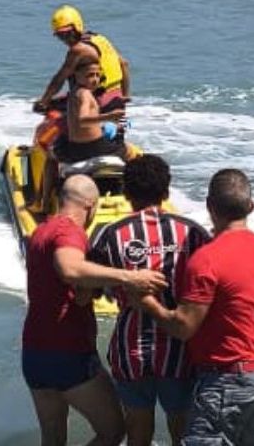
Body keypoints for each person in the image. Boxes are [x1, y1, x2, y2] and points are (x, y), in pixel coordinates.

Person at [130, 168, 254, 446]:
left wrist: (147, 302)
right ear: (251, 205)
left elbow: (183, 327)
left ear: (210, 207)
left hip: (227, 378)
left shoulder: (207, 259)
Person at [22, 174, 168, 446]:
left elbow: (67, 286)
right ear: (90, 205)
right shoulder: (70, 232)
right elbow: (70, 268)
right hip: (67, 351)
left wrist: (88, 290)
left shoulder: (41, 230)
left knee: (52, 438)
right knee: (113, 431)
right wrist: (130, 278)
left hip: (34, 352)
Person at [89, 155, 211, 445]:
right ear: (166, 192)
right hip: (180, 351)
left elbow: (93, 289)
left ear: (126, 194)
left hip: (130, 350)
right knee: (183, 432)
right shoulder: (193, 233)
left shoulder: (109, 233)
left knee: (138, 434)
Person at [29, 60, 127, 212]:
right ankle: (137, 194)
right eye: (89, 75)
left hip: (76, 149)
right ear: (77, 75)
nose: (94, 79)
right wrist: (108, 117)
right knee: (131, 152)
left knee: (50, 156)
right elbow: (82, 119)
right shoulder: (85, 94)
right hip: (95, 148)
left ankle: (43, 202)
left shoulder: (75, 92)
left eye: (97, 75)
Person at [35, 5, 130, 115]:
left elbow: (59, 79)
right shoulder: (100, 39)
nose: (65, 39)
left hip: (99, 100)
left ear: (77, 27)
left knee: (49, 109)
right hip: (116, 98)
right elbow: (124, 64)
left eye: (68, 33)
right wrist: (125, 97)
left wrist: (43, 102)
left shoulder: (78, 50)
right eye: (60, 35)